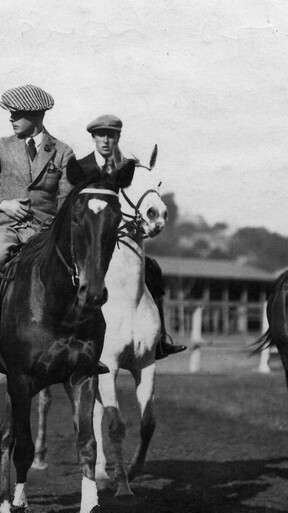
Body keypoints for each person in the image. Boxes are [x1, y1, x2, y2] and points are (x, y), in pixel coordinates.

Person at [0, 84, 75, 365]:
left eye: (17, 113)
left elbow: (67, 202)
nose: (11, 118)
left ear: (36, 115)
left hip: (43, 233)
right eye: (11, 113)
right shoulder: (1, 147)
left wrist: (53, 228)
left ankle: (82, 342)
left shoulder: (63, 153)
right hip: (3, 227)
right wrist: (1, 205)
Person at [80, 114, 186, 359]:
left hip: (122, 240)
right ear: (93, 138)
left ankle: (160, 340)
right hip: (92, 240)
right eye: (101, 135)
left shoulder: (129, 169)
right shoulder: (83, 167)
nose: (106, 140)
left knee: (153, 269)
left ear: (118, 138)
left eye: (112, 135)